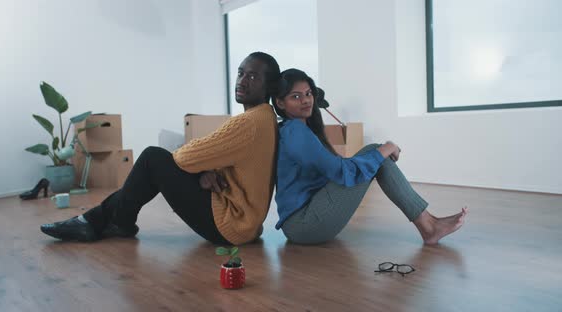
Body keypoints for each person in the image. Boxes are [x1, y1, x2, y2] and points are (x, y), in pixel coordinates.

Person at [41, 52, 281, 246]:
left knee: (152, 159)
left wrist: (199, 170)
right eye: (240, 73)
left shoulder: (248, 122)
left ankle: (100, 221)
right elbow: (230, 160)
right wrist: (204, 171)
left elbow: (186, 157)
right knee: (155, 164)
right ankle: (102, 220)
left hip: (231, 225)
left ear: (268, 86)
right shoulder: (265, 117)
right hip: (246, 224)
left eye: (252, 77)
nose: (242, 81)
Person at [273, 68, 467, 245]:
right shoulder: (295, 131)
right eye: (296, 96)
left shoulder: (297, 129)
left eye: (308, 94)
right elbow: (341, 172)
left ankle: (429, 224)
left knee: (375, 155)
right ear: (280, 102)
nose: (306, 100)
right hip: (304, 224)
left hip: (305, 220)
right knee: (377, 153)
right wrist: (387, 148)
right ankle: (429, 226)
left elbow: (336, 168)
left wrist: (379, 152)